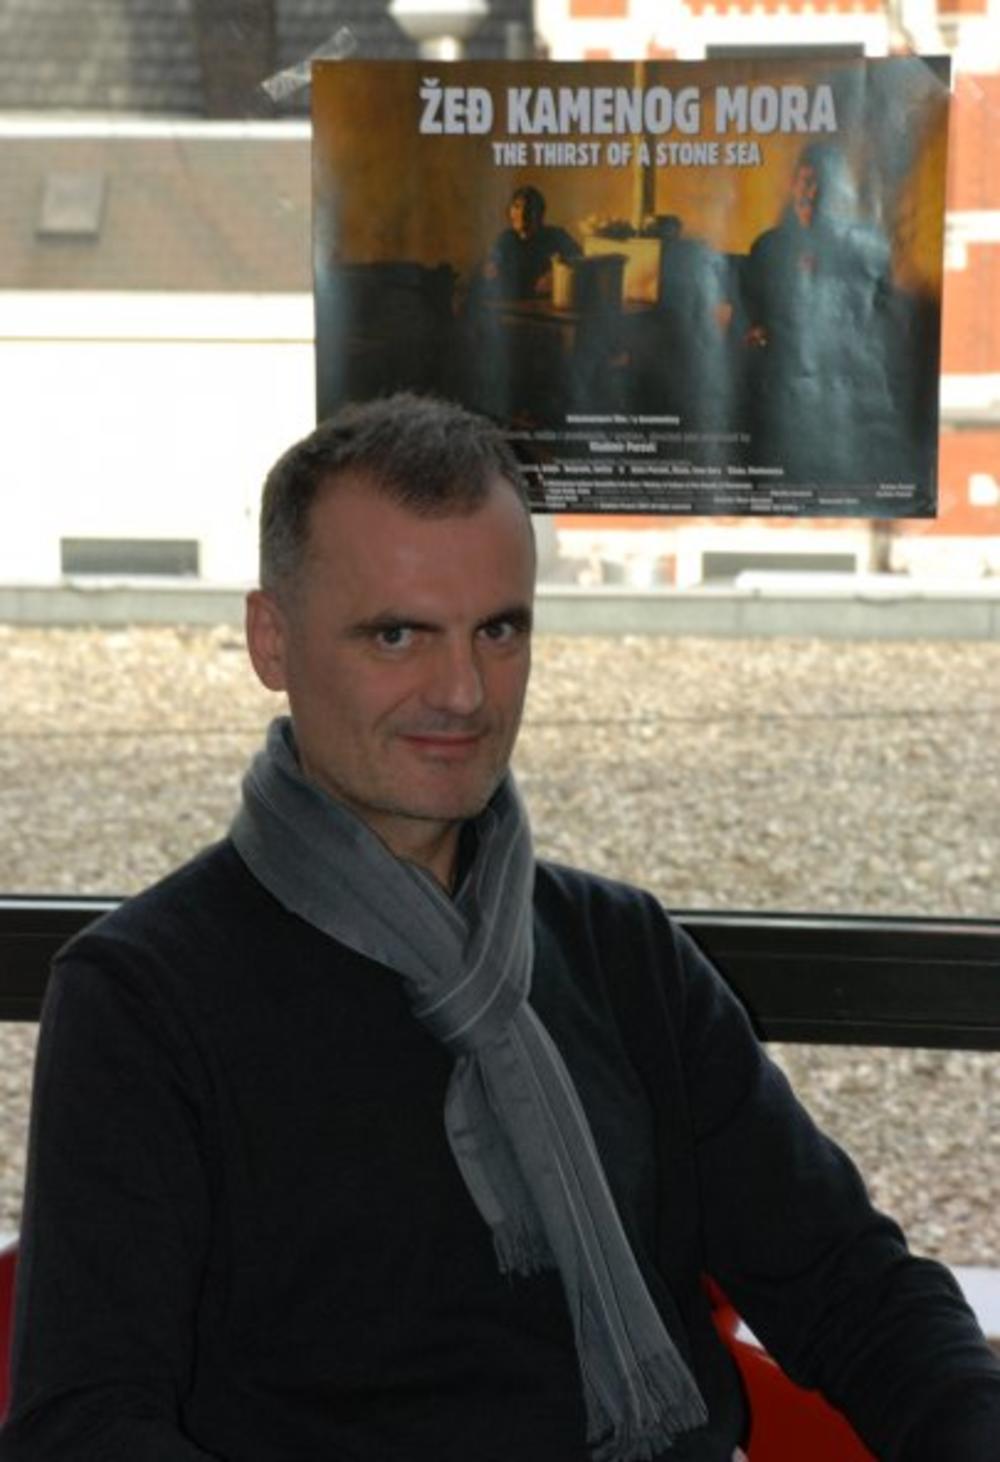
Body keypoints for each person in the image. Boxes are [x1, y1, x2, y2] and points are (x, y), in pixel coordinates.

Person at [3, 393, 999, 1462]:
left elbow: (854, 1288)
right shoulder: (146, 1000)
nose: (464, 692)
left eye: (499, 630)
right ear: (271, 640)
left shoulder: (623, 954)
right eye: (397, 634)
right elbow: (85, 1425)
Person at [740, 142, 921, 488]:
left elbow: (885, 314)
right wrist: (756, 331)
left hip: (844, 380)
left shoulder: (866, 245)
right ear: (793, 184)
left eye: (822, 183)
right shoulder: (768, 247)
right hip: (785, 381)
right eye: (806, 181)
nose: (812, 193)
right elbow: (750, 312)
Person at [483, 184, 582, 301]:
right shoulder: (505, 239)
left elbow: (579, 259)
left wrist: (555, 276)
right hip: (512, 305)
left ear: (539, 213)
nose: (522, 213)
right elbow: (490, 269)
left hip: (546, 305)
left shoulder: (556, 235)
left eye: (528, 208)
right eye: (517, 207)